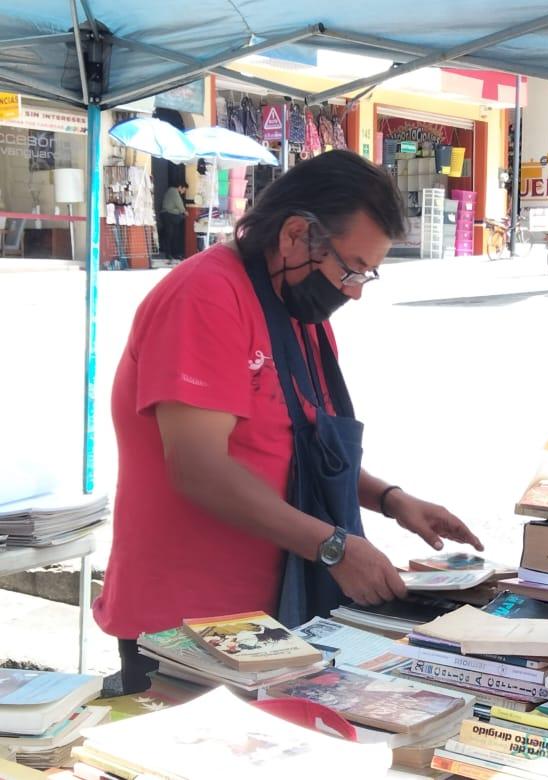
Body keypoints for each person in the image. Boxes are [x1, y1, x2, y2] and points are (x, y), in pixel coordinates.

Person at [94, 150, 483, 693]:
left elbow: (294, 448)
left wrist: (392, 500)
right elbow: (199, 469)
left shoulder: (294, 307)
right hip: (190, 627)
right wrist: (334, 546)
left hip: (278, 616)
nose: (353, 291)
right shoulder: (205, 296)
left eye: (367, 275)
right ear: (297, 235)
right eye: (350, 269)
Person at [159, 182, 188, 260]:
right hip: (168, 215)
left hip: (166, 215)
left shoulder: (170, 191)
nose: (183, 192)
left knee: (170, 234)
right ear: (180, 187)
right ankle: (170, 254)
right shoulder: (174, 191)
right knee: (171, 235)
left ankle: (170, 253)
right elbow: (180, 205)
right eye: (184, 190)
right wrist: (184, 212)